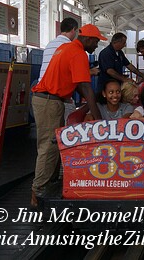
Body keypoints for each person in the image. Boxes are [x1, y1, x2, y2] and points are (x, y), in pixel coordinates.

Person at [31, 24, 105, 208]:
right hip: (49, 101)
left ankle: (48, 184)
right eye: (96, 42)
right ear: (88, 39)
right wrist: (100, 121)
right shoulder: (78, 53)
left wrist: (91, 107)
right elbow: (86, 88)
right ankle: (37, 192)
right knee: (48, 147)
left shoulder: (67, 47)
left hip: (49, 100)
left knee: (53, 145)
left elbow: (79, 84)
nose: (96, 46)